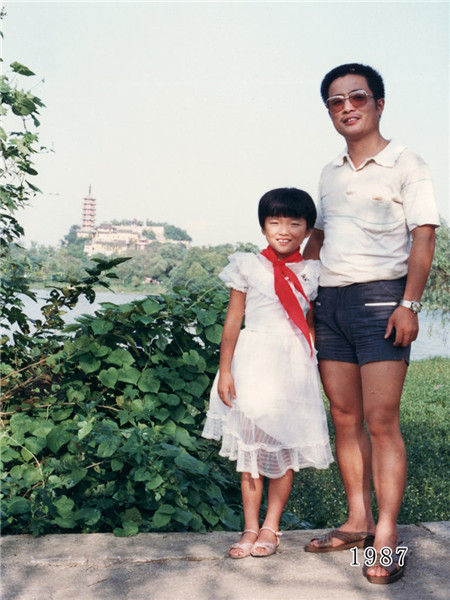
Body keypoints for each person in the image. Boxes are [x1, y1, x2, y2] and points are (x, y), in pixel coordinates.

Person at [303, 63, 440, 584]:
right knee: (344, 416)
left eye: (357, 97)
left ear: (379, 103)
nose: (346, 107)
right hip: (331, 304)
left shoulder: (407, 163)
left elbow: (423, 237)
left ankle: (386, 533)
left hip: (383, 300)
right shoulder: (329, 172)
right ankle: (357, 518)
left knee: (381, 421)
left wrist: (410, 303)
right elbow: (316, 238)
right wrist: (302, 291)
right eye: (335, 101)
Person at [202, 188, 333, 559]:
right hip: (252, 362)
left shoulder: (313, 270)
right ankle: (248, 527)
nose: (284, 229)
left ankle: (271, 527)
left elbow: (310, 324)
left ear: (307, 229)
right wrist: (225, 370)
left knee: (282, 450)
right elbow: (233, 320)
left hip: (292, 368)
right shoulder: (247, 265)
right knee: (250, 453)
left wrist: (314, 371)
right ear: (263, 227)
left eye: (295, 222)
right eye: (275, 221)